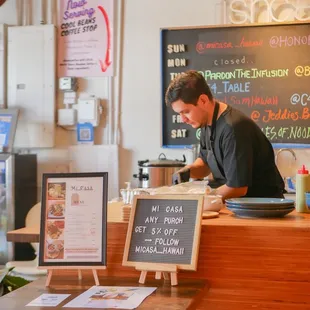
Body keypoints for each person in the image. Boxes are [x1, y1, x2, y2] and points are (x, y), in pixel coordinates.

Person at [166, 70, 284, 200]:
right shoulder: (206, 123)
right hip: (236, 205)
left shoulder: (233, 129)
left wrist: (201, 199)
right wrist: (188, 171)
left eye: (186, 112)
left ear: (203, 100)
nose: (183, 119)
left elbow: (237, 188)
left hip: (261, 208)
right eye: (179, 114)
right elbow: (205, 164)